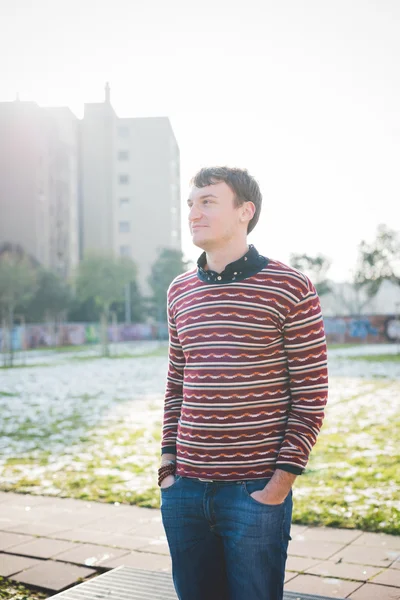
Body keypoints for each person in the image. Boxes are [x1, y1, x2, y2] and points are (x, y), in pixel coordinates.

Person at [159, 166, 328, 600]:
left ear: (244, 212)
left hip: (254, 492)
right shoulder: (179, 290)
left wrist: (279, 484)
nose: (194, 212)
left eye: (208, 201)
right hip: (185, 491)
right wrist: (167, 469)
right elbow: (177, 381)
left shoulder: (290, 286)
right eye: (191, 203)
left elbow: (310, 394)